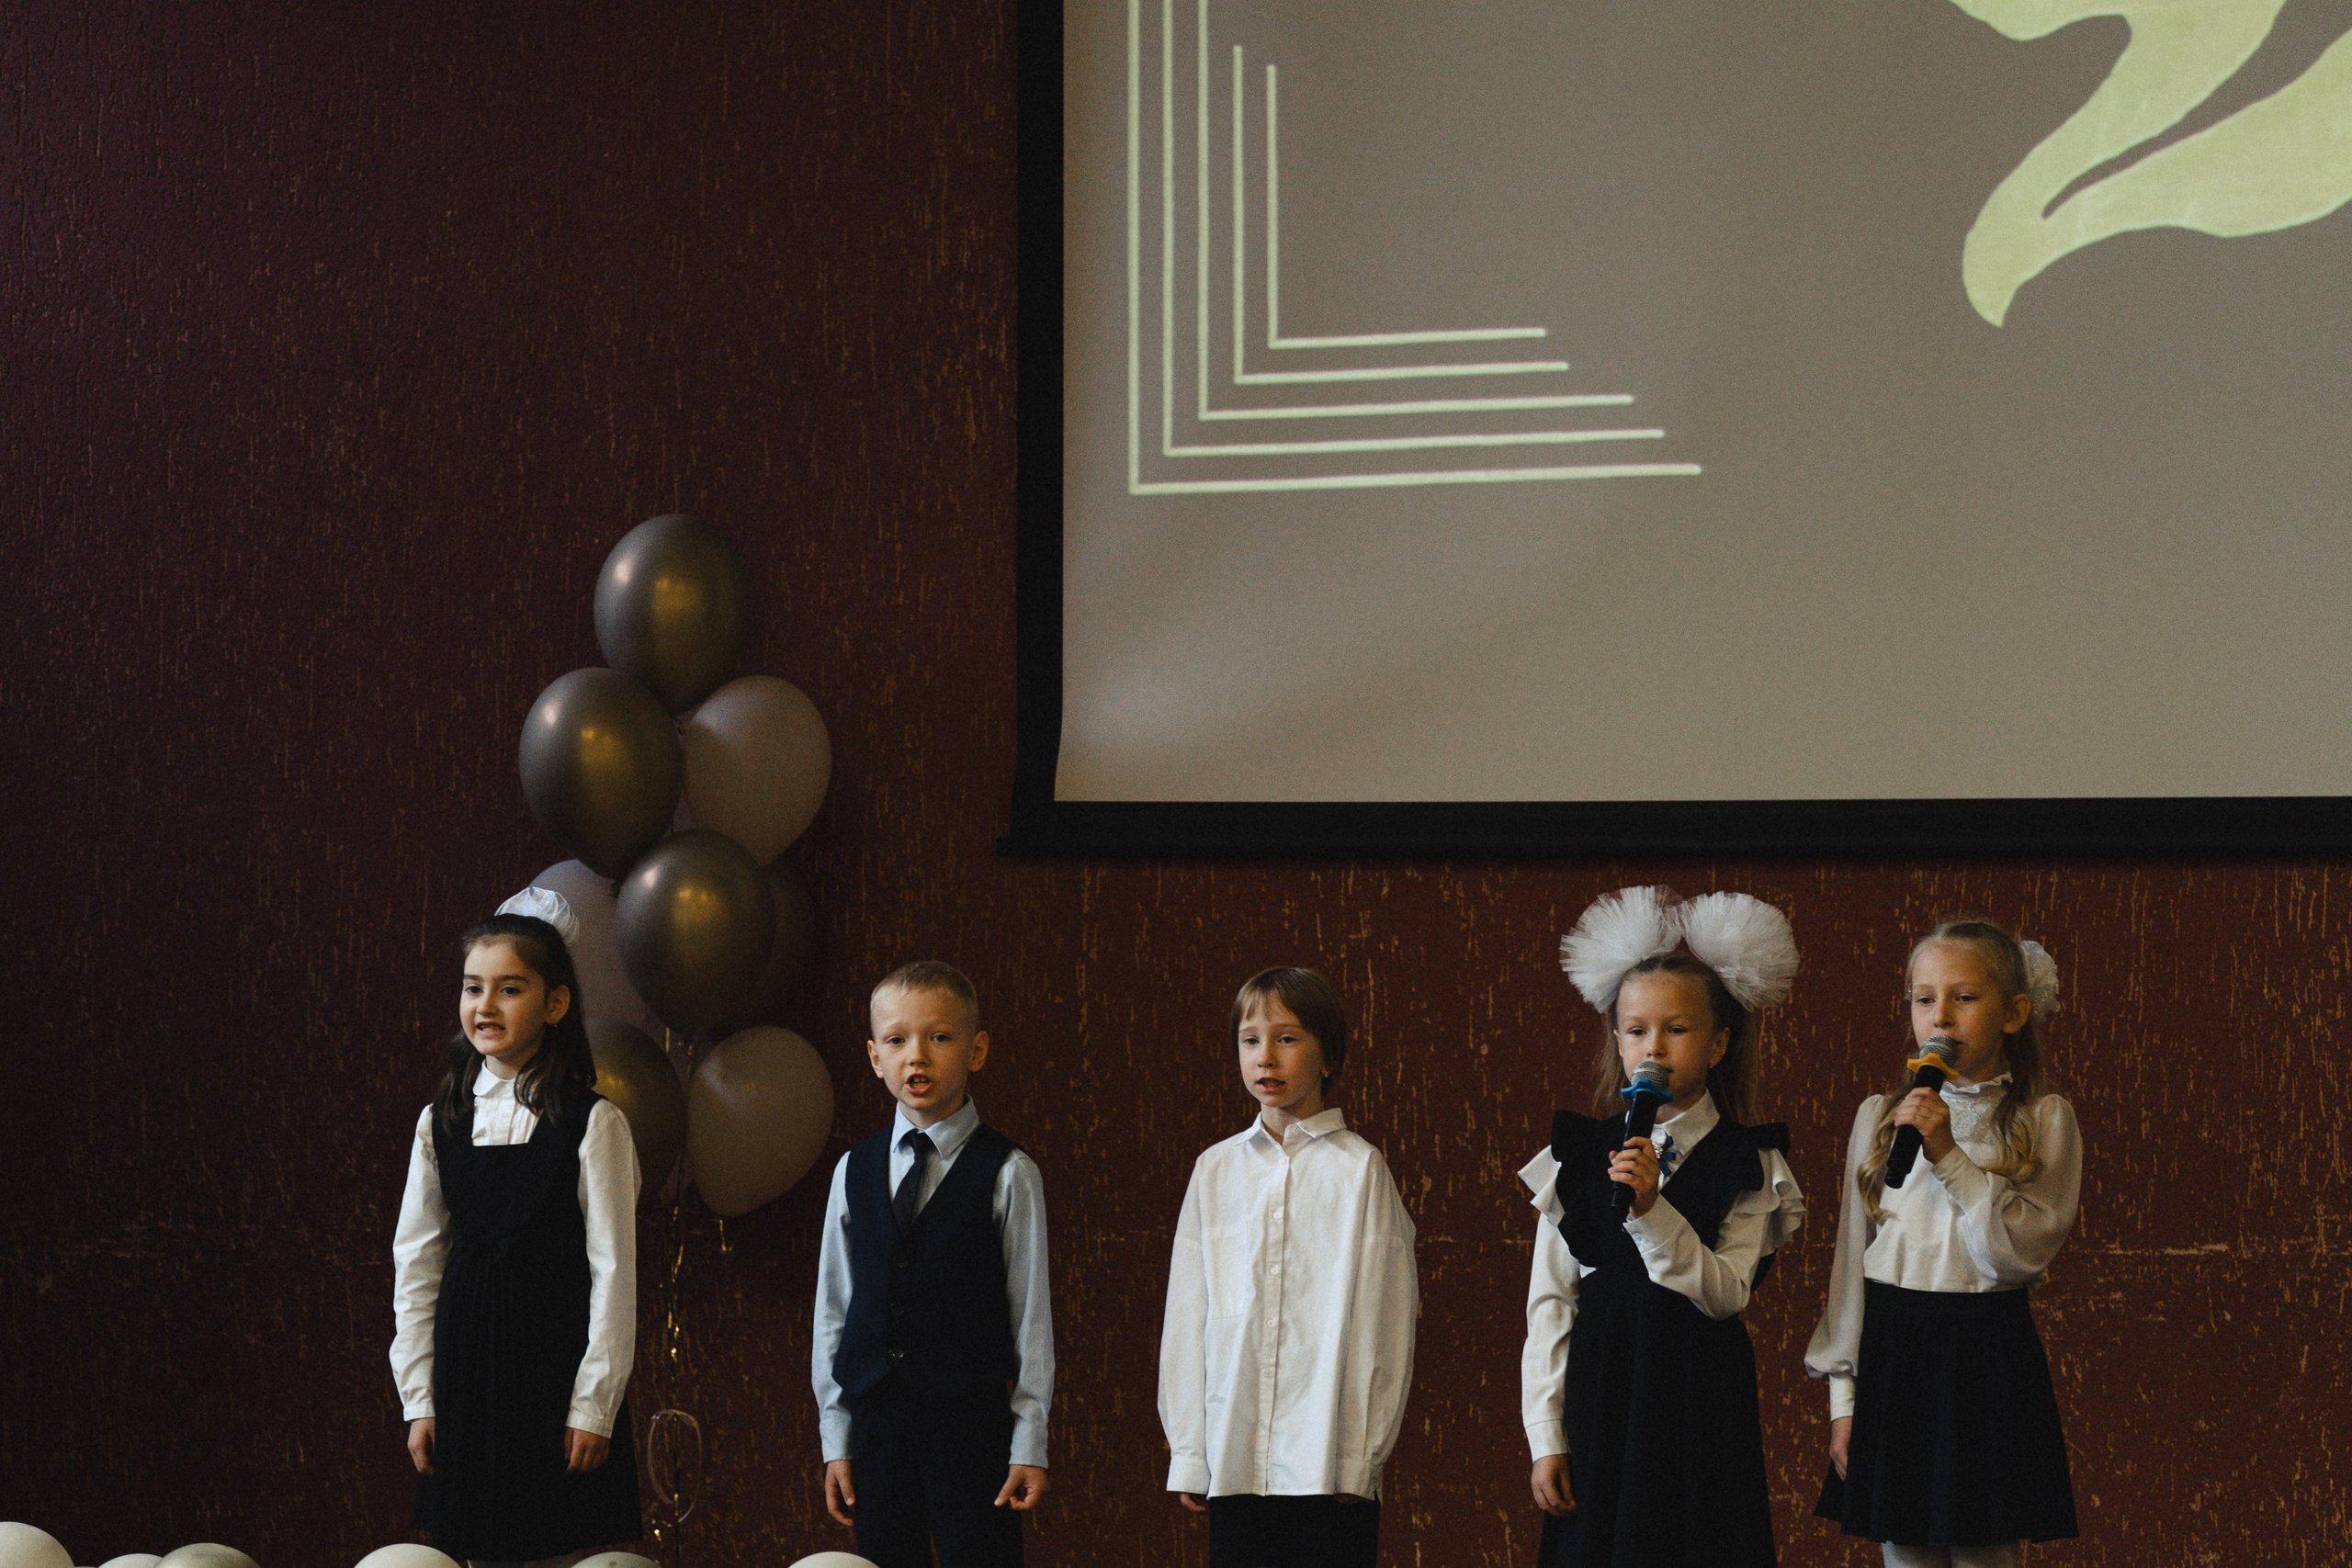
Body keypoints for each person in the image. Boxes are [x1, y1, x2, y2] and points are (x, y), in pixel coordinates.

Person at [1521, 886, 1807, 1568]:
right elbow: (1551, 1301)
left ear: (1718, 1043)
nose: (1654, 1046)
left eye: (1676, 1030)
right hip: (1603, 1400)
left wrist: (1653, 1211)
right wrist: (1546, 1433)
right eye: (1636, 1030)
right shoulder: (1580, 1156)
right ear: (1616, 1040)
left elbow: (1726, 1292)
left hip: (1697, 1404)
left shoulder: (1749, 1161)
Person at [1805, 919, 2081, 1568]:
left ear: (2014, 1012)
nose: (1941, 1016)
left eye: (1965, 997)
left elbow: (2015, 1255)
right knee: (1905, 1545)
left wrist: (1950, 1155)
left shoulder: (2044, 1118)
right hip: (1895, 1350)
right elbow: (1851, 1265)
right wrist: (1843, 1401)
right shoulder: (1879, 1115)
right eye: (1924, 998)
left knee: (1984, 1545)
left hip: (1985, 1350)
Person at [390, 889, 644, 1568]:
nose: (486, 1006)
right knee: (474, 1549)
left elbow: (614, 1273)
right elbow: (417, 1264)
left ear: (555, 1004)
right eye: (473, 987)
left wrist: (593, 1406)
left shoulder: (593, 1122)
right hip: (465, 1373)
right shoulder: (439, 1122)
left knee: (549, 1547)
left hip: (549, 1373)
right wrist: (419, 1397)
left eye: (510, 989)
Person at [1159, 966, 1419, 1568]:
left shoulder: (1360, 1170)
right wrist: (1191, 1452)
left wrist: (1359, 1456)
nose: (1266, 1057)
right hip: (1235, 1455)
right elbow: (1188, 1315)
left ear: (1328, 1056)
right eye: (1250, 1040)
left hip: (1325, 1465)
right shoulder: (1215, 1169)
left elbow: (1383, 1321)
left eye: (1287, 1038)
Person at [812, 961, 1053, 1568]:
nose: (916, 1055)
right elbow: (833, 1310)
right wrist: (836, 1435)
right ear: (875, 1057)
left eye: (939, 1037)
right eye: (896, 1040)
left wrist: (1029, 1438)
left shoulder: (1009, 1171)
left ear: (977, 1050)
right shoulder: (853, 1170)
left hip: (970, 1426)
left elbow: (1031, 1316)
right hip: (876, 1427)